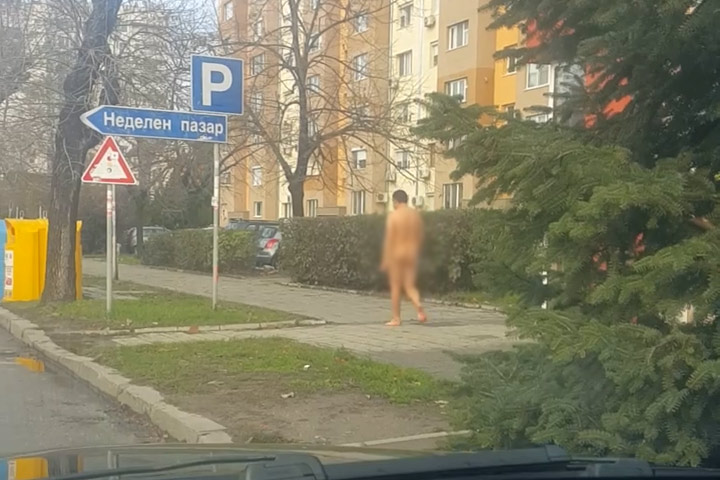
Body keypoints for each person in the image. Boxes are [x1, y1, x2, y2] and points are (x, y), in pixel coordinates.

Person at [380, 189, 427, 327]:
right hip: (412, 253)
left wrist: (385, 258)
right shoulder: (415, 215)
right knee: (410, 285)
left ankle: (396, 318)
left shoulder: (394, 216)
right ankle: (418, 305)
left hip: (397, 253)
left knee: (395, 286)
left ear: (395, 201)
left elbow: (389, 239)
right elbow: (420, 235)